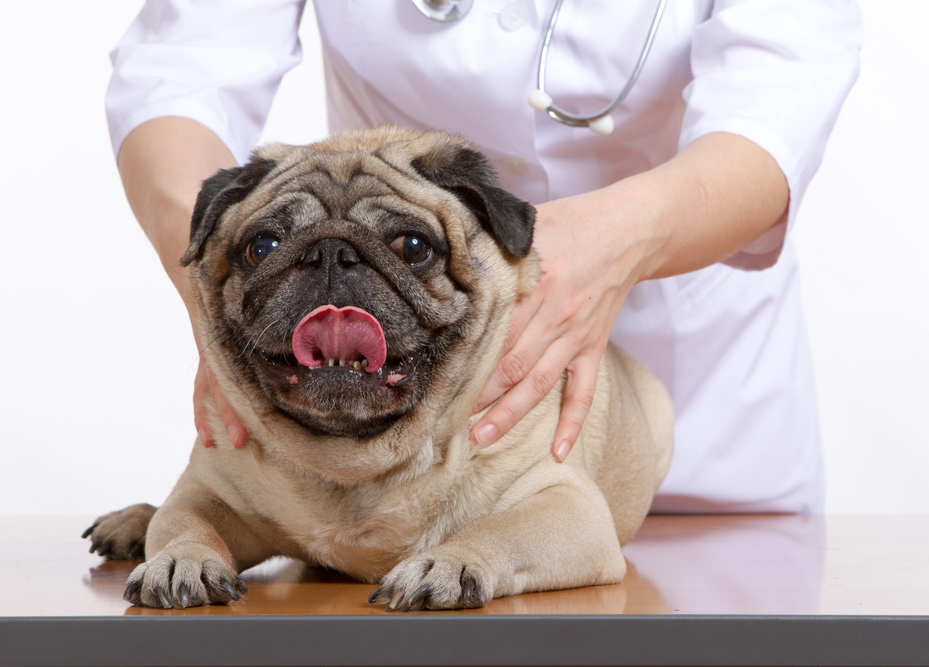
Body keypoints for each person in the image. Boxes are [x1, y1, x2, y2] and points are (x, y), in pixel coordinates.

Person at [106, 0, 862, 513]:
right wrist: (210, 276)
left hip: (704, 436)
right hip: (380, 443)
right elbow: (181, 73)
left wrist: (618, 241)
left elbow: (780, 98)